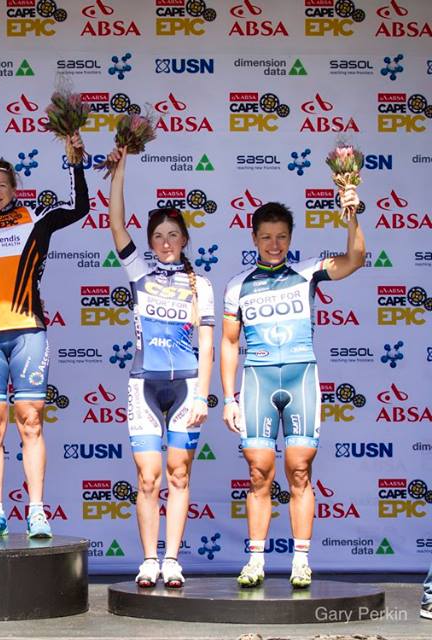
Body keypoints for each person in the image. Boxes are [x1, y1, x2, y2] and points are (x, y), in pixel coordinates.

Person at [221, 196, 364, 589]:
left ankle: (301, 561)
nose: (274, 244)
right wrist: (229, 398)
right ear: (254, 238)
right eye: (267, 237)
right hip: (258, 380)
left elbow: (355, 259)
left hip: (301, 379)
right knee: (258, 473)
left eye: (281, 237)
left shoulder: (306, 273)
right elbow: (229, 343)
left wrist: (353, 216)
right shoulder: (238, 285)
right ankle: (255, 560)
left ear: (290, 238)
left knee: (300, 470)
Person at [0, 136, 87, 539]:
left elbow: (79, 207)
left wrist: (75, 163)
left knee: (30, 422)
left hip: (28, 331)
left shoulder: (33, 219)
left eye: (2, 185)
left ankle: (36, 512)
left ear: (14, 189)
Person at [106, 148, 214, 588]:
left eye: (173, 235)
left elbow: (207, 344)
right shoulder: (139, 273)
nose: (166, 243)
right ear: (150, 243)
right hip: (143, 386)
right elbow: (117, 224)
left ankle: (172, 560)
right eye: (158, 236)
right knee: (148, 479)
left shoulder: (201, 285)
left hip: (187, 387)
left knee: (179, 475)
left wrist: (204, 395)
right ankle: (149, 559)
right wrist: (120, 169)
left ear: (184, 239)